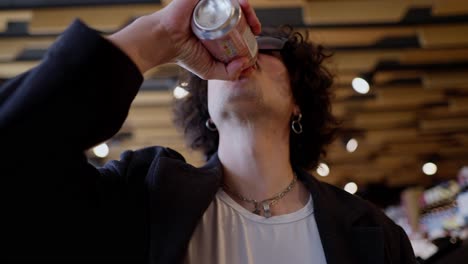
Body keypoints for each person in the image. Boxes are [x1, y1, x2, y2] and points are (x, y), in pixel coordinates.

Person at [0, 0, 417, 263]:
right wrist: (155, 37)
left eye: (266, 49)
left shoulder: (374, 233)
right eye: (222, 55)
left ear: (298, 102)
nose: (245, 56)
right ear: (208, 112)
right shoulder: (141, 195)